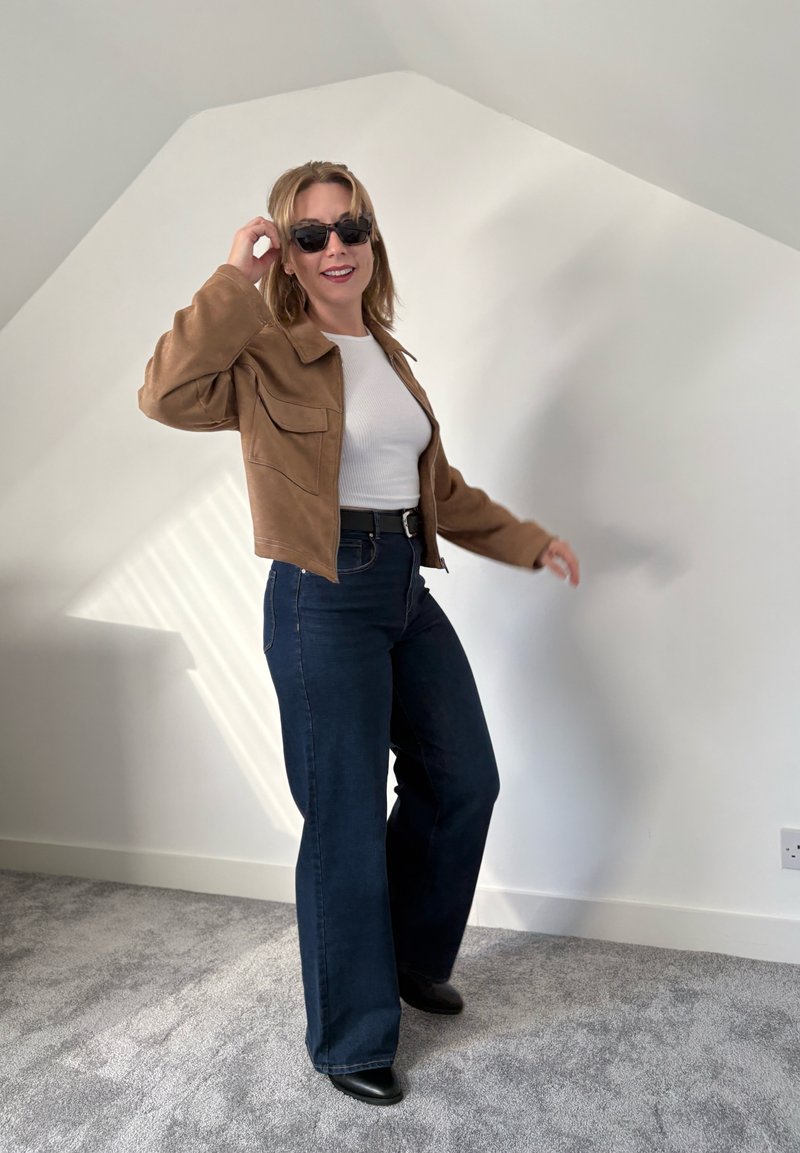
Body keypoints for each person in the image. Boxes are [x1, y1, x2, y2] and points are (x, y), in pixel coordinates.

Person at [139, 160, 580, 1107]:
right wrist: (233, 281)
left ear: (372, 240)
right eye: (310, 234)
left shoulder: (387, 353)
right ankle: (349, 1035)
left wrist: (528, 541)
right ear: (287, 255)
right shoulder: (262, 350)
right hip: (320, 592)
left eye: (351, 228)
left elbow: (438, 489)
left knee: (464, 776)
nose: (334, 245)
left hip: (402, 586)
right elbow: (164, 394)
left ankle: (410, 956)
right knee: (341, 818)